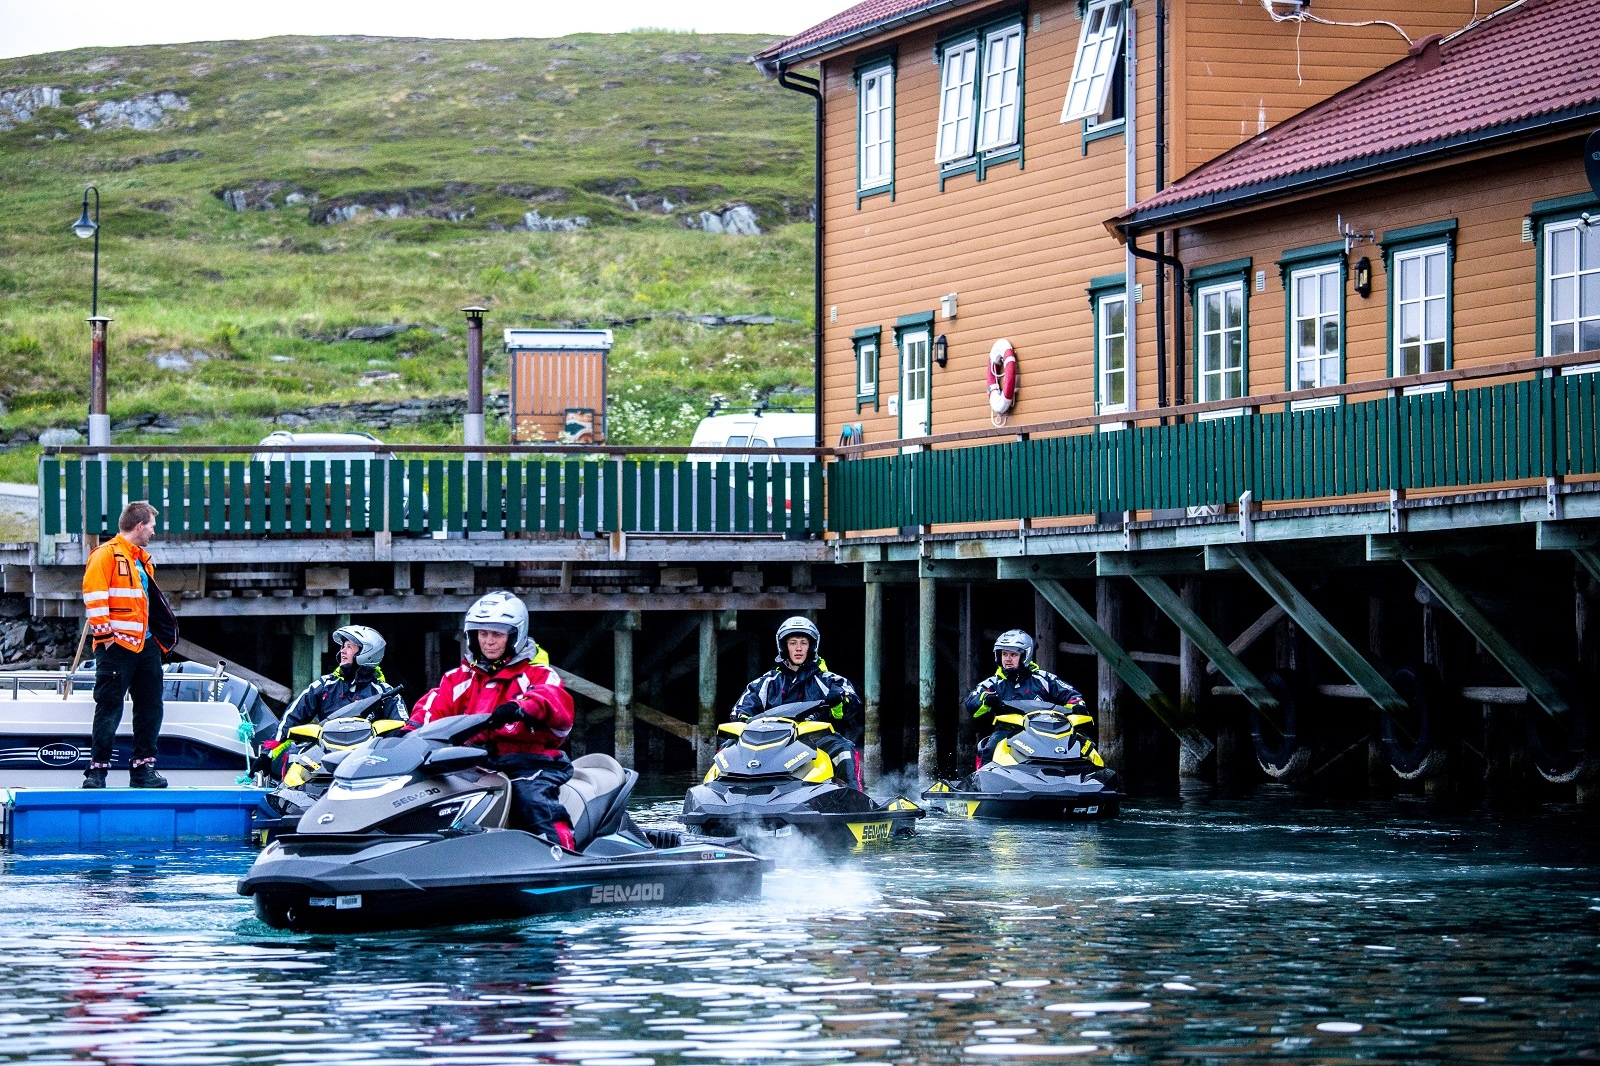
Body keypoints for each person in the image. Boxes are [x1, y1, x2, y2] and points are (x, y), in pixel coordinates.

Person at [406, 591, 577, 847]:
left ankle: (561, 853)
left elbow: (554, 700)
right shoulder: (458, 678)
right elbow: (433, 707)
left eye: (497, 634)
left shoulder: (538, 674)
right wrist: (408, 731)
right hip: (475, 762)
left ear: (514, 636)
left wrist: (522, 707)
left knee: (530, 801)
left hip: (529, 762)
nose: (488, 642)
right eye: (482, 634)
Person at [80, 500, 180, 789]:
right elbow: (95, 597)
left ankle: (143, 769)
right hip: (117, 647)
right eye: (151, 526)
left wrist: (159, 641)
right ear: (139, 526)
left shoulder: (141, 559)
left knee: (151, 707)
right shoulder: (105, 555)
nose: (153, 532)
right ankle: (97, 772)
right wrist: (106, 638)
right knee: (109, 707)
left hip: (146, 646)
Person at [730, 616, 865, 789]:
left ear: (812, 646)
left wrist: (839, 700)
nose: (798, 648)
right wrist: (741, 719)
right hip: (771, 743)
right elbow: (741, 709)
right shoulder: (766, 682)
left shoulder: (829, 680)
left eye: (804, 643)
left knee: (844, 748)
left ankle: (854, 799)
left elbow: (852, 702)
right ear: (784, 646)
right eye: (793, 643)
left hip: (816, 740)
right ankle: (717, 795)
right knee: (728, 747)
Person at [962, 629, 1093, 767]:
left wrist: (1078, 706)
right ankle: (983, 782)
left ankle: (1086, 773)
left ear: (1025, 655)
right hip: (1008, 731)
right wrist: (986, 699)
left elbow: (1072, 694)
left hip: (1044, 731)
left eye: (1013, 655)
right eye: (1004, 654)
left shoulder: (1044, 678)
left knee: (1085, 744)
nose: (1007, 659)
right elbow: (971, 702)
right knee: (990, 750)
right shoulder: (993, 683)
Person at [274, 624, 407, 743]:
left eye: (349, 647)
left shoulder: (386, 693)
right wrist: (268, 752)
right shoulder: (324, 685)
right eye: (343, 646)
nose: (342, 651)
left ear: (367, 653)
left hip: (365, 761)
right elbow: (290, 719)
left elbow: (402, 731)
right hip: (323, 758)